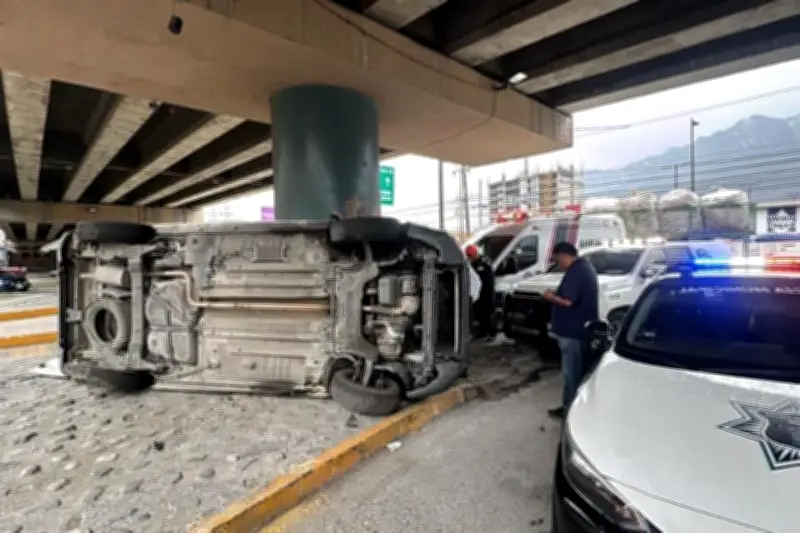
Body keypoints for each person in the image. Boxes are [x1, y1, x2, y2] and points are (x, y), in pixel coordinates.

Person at [541, 242, 598, 418]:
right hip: (577, 330)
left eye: (558, 260)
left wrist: (549, 297)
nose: (559, 264)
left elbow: (568, 301)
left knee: (571, 373)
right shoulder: (582, 268)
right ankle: (571, 406)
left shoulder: (577, 271)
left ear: (565, 256)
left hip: (573, 332)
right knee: (575, 372)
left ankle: (570, 411)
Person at [465, 244, 496, 340]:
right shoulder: (471, 263)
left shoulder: (484, 262)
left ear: (475, 254)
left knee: (488, 314)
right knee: (480, 314)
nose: (470, 258)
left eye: (471, 255)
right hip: (478, 293)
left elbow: (489, 279)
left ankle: (491, 334)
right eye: (468, 256)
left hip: (487, 293)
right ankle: (482, 332)